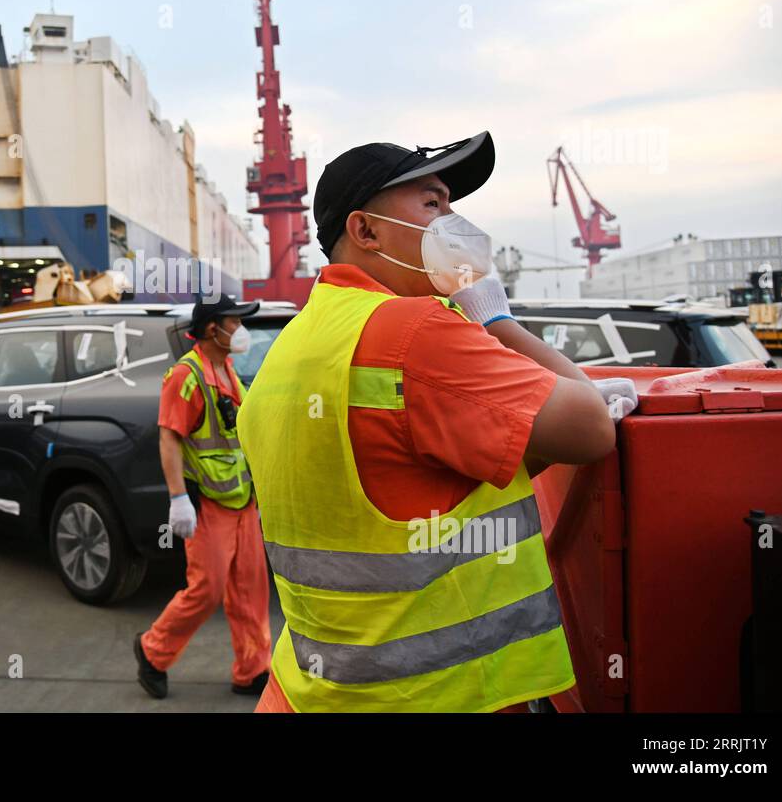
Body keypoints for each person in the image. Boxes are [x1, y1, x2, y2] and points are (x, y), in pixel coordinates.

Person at [237, 132, 638, 713]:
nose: (453, 222)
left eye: (451, 203)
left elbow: (421, 485)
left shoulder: (294, 345)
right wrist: (494, 318)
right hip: (438, 696)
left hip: (314, 691)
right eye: (432, 203)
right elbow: (591, 427)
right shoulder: (414, 331)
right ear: (365, 231)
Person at [133, 294, 272, 699]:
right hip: (209, 502)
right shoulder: (186, 376)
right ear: (213, 329)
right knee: (206, 590)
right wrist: (178, 499)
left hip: (241, 499)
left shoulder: (227, 369)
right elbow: (169, 438)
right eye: (235, 322)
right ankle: (153, 651)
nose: (241, 330)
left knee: (251, 589)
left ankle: (252, 669)